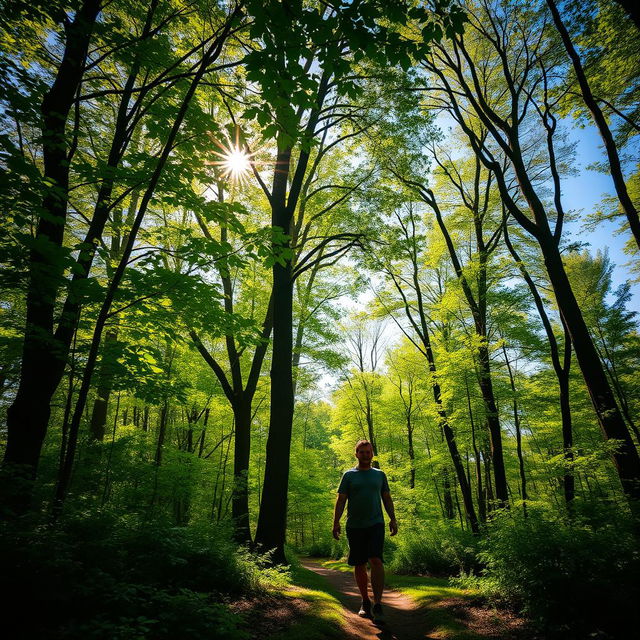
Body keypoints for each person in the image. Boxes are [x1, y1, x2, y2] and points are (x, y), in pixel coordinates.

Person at [332, 439, 398, 624]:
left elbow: (387, 498)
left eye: (368, 452)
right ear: (356, 454)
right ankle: (365, 601)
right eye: (361, 452)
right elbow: (341, 500)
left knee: (376, 560)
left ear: (372, 454)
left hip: (376, 524)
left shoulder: (380, 475)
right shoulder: (348, 475)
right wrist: (335, 523)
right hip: (354, 526)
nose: (365, 455)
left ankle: (378, 603)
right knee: (359, 564)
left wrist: (393, 519)